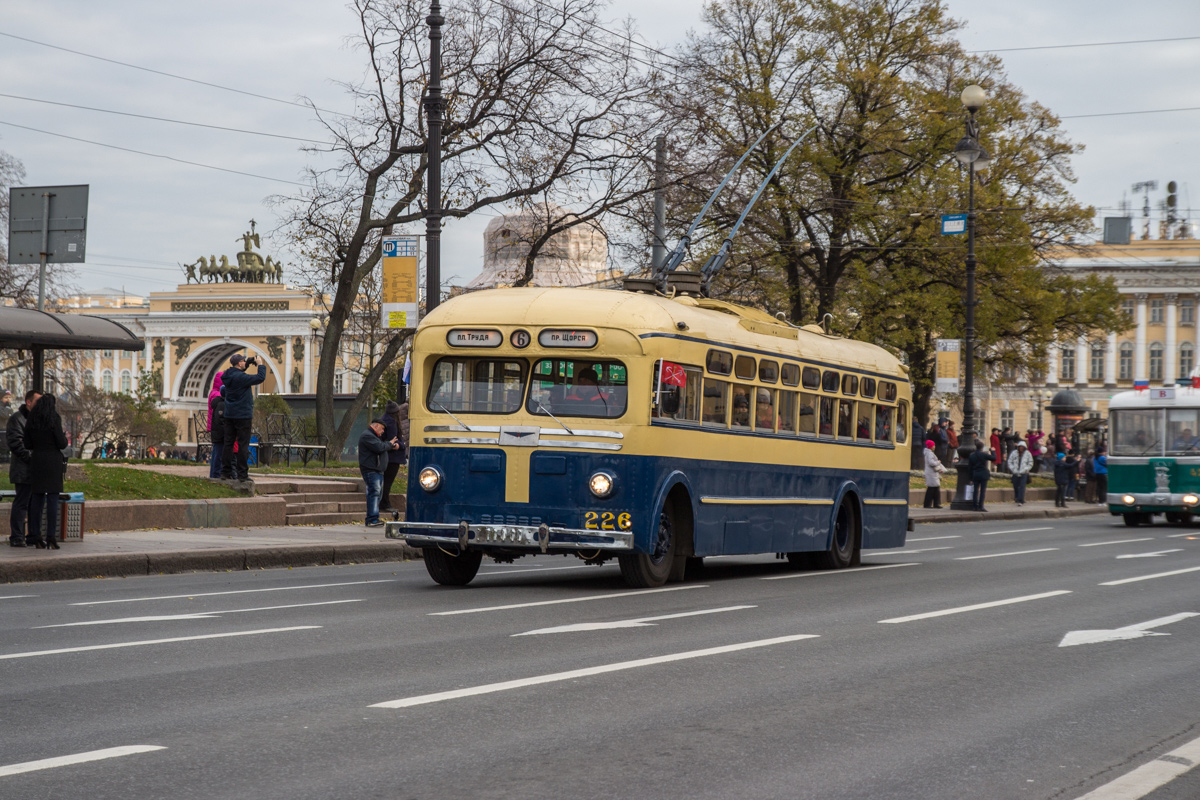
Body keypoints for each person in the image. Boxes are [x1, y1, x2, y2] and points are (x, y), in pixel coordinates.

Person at [24, 393, 68, 549]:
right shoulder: (54, 418)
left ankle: (35, 535)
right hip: (53, 462)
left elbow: (27, 443)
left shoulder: (32, 418)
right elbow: (62, 443)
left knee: (36, 498)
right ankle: (51, 536)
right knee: (53, 498)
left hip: (37, 462)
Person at [219, 354, 267, 484]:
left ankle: (225, 472)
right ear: (239, 363)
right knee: (243, 445)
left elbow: (238, 372)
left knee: (228, 444)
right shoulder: (241, 378)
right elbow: (260, 378)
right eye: (243, 360)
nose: (245, 362)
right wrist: (260, 365)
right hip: (243, 416)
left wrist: (250, 361)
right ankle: (242, 474)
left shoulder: (227, 375)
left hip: (229, 415)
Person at [6, 389, 41, 547]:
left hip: (35, 469)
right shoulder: (17, 419)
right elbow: (15, 443)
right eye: (37, 402)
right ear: (29, 402)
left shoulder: (36, 419)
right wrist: (32, 458)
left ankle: (32, 535)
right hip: (23, 469)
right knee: (22, 502)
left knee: (33, 502)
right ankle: (17, 536)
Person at [359, 418, 398, 528]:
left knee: (377, 494)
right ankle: (372, 519)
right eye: (382, 429)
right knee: (374, 493)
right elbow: (379, 447)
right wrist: (390, 444)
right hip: (371, 470)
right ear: (375, 426)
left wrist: (389, 445)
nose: (383, 431)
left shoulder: (374, 437)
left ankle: (373, 517)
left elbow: (381, 446)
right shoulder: (367, 436)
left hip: (377, 470)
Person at [379, 400, 408, 513]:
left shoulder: (385, 419)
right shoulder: (391, 422)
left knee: (385, 481)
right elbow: (394, 440)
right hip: (393, 457)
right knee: (387, 482)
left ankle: (383, 502)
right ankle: (385, 503)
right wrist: (400, 445)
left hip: (388, 456)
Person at [207, 371, 226, 480]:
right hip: (217, 427)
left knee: (216, 451)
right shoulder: (217, 395)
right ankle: (215, 474)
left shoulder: (213, 392)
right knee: (217, 452)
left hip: (214, 426)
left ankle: (214, 473)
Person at [967, 439, 992, 512]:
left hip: (975, 474)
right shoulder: (984, 454)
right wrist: (993, 451)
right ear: (982, 447)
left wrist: (970, 477)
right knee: (982, 491)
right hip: (983, 474)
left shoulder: (972, 455)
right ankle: (981, 506)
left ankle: (975, 506)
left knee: (975, 491)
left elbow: (970, 467)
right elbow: (994, 458)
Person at [922, 440, 947, 508]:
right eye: (933, 445)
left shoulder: (929, 453)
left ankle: (935, 503)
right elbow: (931, 463)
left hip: (932, 473)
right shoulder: (930, 453)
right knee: (932, 489)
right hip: (931, 473)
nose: (934, 446)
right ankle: (929, 504)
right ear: (931, 446)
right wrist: (938, 462)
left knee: (935, 488)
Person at [1007, 440, 1033, 506]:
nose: (1021, 448)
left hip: (1024, 473)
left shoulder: (1027, 453)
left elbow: (1030, 463)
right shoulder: (1014, 453)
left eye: (1022, 447)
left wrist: (1026, 469)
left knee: (1022, 486)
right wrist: (1012, 469)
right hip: (1015, 472)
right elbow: (1010, 461)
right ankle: (1017, 497)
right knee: (1015, 486)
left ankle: (1020, 500)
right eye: (1020, 447)